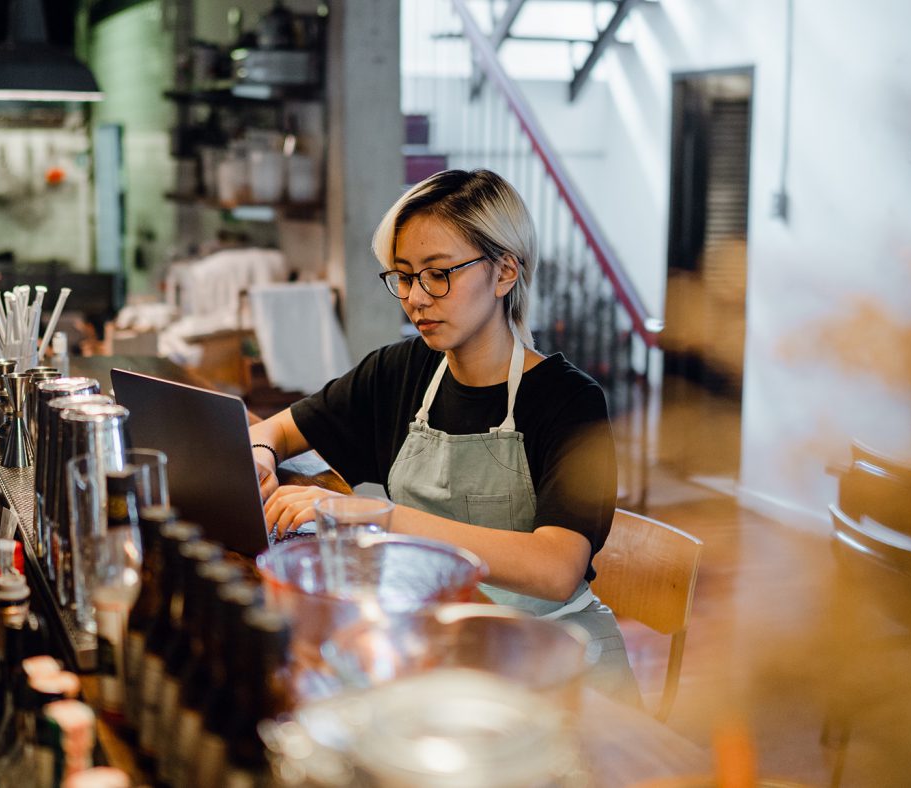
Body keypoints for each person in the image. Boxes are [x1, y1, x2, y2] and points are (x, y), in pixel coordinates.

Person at [251, 169, 640, 702]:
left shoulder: (569, 401)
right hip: (444, 648)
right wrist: (260, 452)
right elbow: (280, 428)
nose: (416, 298)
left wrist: (377, 520)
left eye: (438, 274)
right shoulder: (399, 371)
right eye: (404, 276)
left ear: (505, 272)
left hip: (555, 659)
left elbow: (554, 568)